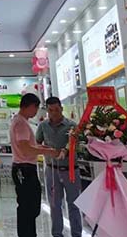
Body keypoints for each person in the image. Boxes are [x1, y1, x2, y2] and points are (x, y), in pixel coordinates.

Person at [10, 93, 62, 237]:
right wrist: (48, 152)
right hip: (24, 169)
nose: (36, 112)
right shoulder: (21, 123)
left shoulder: (20, 121)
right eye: (36, 108)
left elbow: (29, 146)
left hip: (24, 168)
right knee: (28, 207)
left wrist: (44, 148)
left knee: (29, 207)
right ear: (31, 106)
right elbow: (25, 149)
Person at [36, 96, 82, 237]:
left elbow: (76, 144)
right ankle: (57, 234)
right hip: (52, 171)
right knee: (55, 205)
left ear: (61, 108)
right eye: (51, 110)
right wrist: (46, 150)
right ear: (47, 110)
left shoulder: (72, 125)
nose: (54, 113)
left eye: (56, 109)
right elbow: (37, 144)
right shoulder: (43, 126)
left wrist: (65, 151)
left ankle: (76, 234)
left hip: (70, 171)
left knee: (74, 204)